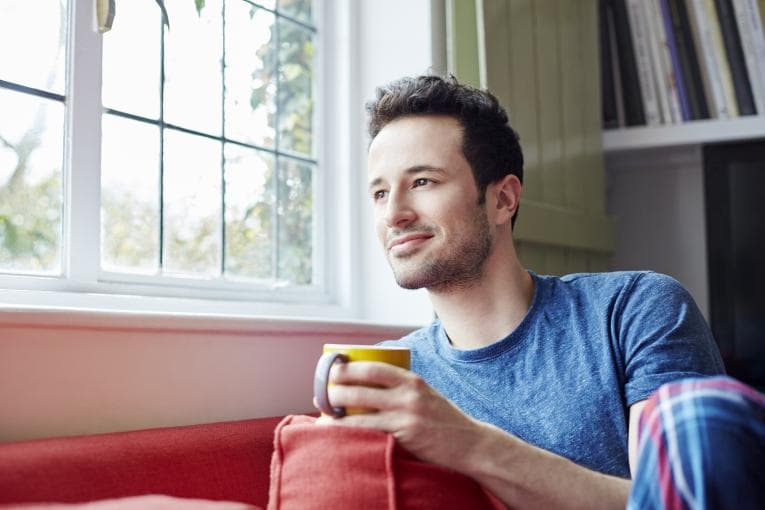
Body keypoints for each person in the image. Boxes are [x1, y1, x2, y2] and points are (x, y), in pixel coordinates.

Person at [315, 75, 754, 508]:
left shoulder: (634, 309)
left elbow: (673, 502)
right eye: (378, 192)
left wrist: (466, 442)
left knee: (704, 409)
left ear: (504, 199)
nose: (394, 214)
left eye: (423, 182)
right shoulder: (393, 374)